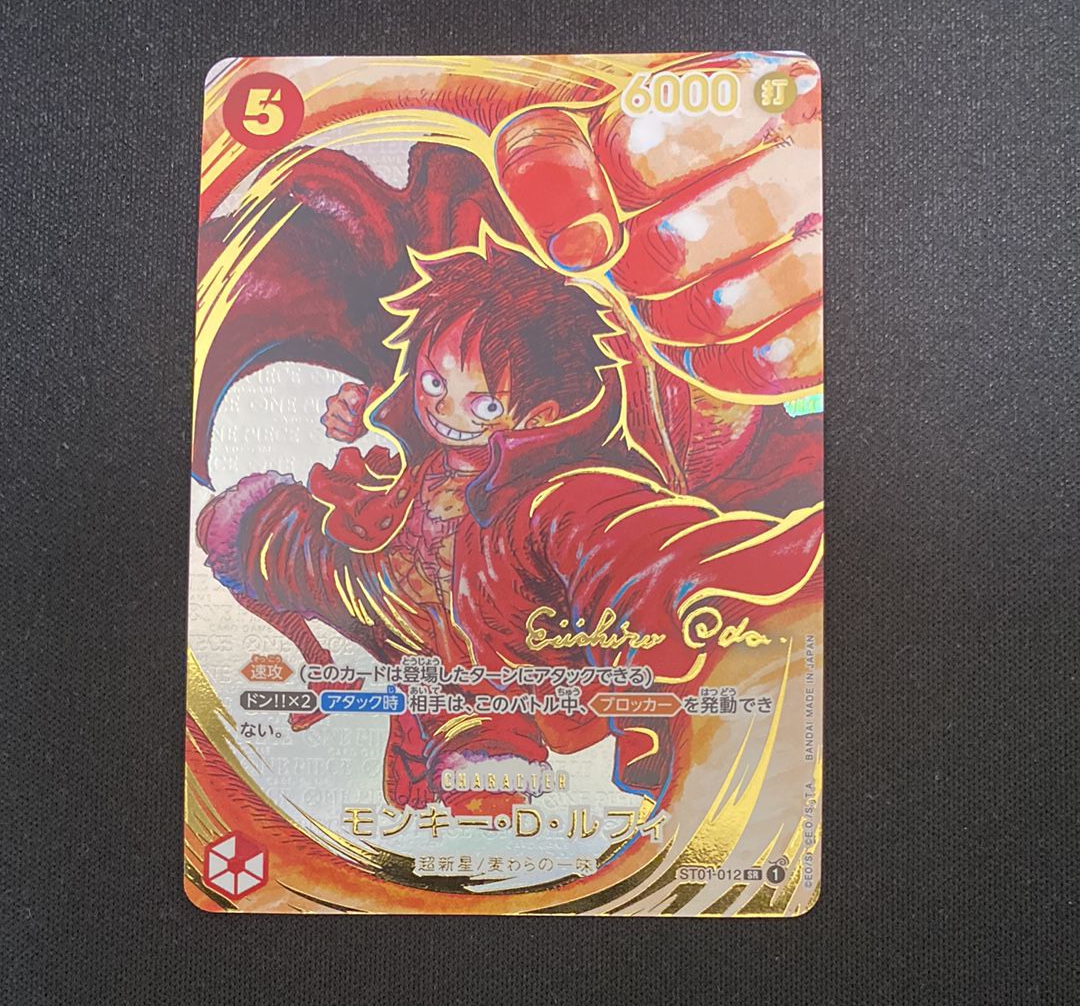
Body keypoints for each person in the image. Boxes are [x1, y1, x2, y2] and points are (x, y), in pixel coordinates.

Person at [197, 235, 822, 816]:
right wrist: (366, 406)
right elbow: (410, 412)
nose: (445, 411)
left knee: (478, 754)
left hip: (488, 649)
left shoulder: (555, 497)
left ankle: (482, 746)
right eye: (434, 382)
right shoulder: (427, 437)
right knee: (240, 530)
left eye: (485, 404)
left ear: (541, 414)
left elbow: (632, 547)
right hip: (382, 573)